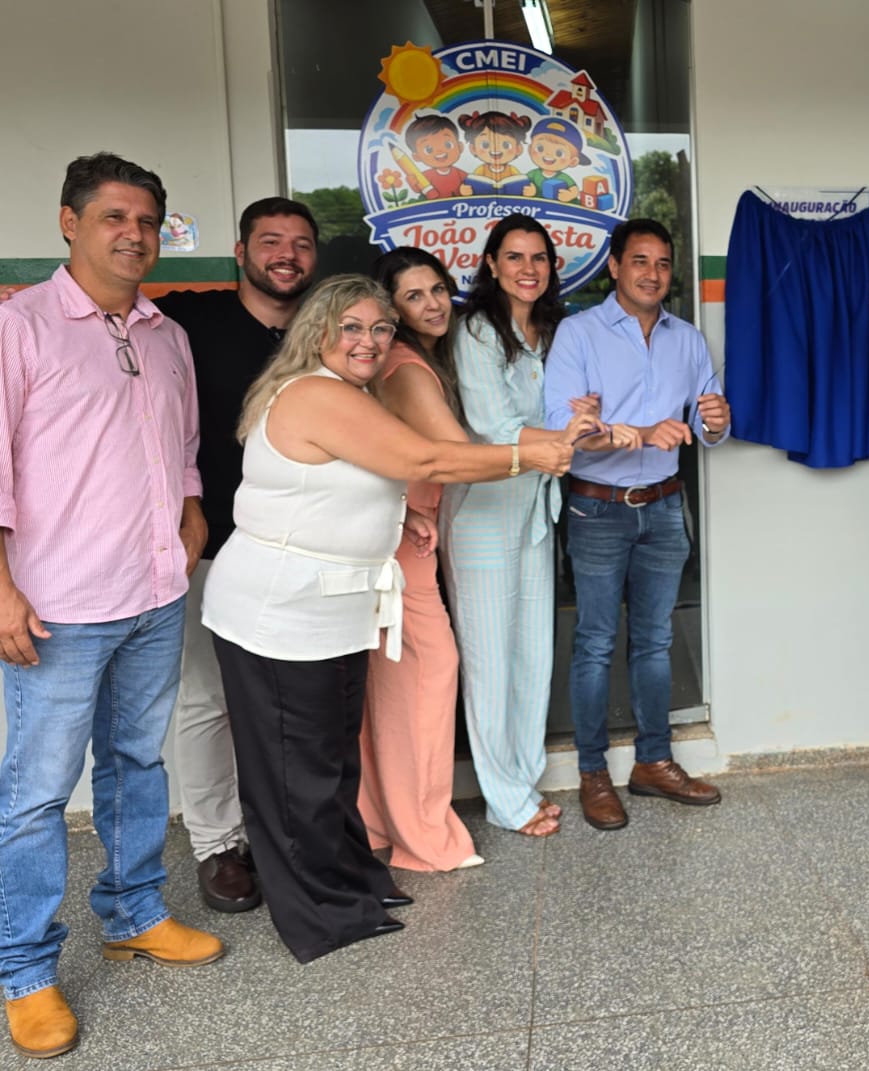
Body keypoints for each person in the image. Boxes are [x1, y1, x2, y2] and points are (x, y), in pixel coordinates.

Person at [200, 274, 584, 963]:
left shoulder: (345, 391)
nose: (369, 341)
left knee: (330, 758)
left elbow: (350, 476)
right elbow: (425, 457)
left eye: (380, 329)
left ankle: (350, 881)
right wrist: (531, 453)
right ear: (318, 331)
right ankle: (319, 910)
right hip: (279, 611)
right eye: (352, 327)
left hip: (335, 607)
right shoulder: (315, 391)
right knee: (296, 771)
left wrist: (401, 513)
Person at [0, 153, 223, 1061]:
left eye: (147, 221)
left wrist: (192, 518)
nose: (134, 234)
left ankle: (134, 912)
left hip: (153, 593)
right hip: (59, 601)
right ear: (69, 221)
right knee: (36, 794)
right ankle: (23, 970)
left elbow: (184, 447)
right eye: (112, 218)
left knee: (136, 763)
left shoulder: (167, 335)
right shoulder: (22, 328)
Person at [544, 218, 731, 831]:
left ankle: (654, 761)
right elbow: (563, 434)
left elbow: (706, 425)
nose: (652, 274)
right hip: (597, 508)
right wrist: (641, 432)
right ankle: (594, 773)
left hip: (664, 506)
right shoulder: (579, 333)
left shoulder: (687, 340)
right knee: (596, 643)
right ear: (615, 267)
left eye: (662, 264)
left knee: (655, 641)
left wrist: (717, 419)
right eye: (640, 262)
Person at [163, 198, 319, 914]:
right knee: (208, 698)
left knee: (290, 701)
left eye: (300, 243)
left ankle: (281, 830)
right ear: (241, 250)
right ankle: (216, 843)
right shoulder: (191, 320)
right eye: (271, 241)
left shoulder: (323, 336)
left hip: (303, 546)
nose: (286, 254)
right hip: (212, 546)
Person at [441, 214, 612, 838]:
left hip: (538, 507)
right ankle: (504, 797)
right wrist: (573, 431)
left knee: (533, 652)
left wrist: (586, 421)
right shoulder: (477, 331)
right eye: (514, 257)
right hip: (484, 513)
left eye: (539, 258)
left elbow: (578, 409)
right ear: (491, 265)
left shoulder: (555, 330)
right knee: (491, 661)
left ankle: (523, 777)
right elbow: (493, 425)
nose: (528, 269)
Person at [359, 248, 487, 869]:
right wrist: (542, 447)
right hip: (401, 549)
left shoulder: (413, 359)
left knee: (392, 685)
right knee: (431, 671)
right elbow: (457, 453)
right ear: (391, 308)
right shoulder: (407, 367)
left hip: (404, 535)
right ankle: (425, 836)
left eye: (438, 289)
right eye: (415, 296)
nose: (434, 303)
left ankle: (381, 822)